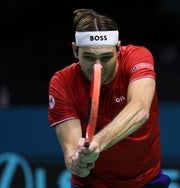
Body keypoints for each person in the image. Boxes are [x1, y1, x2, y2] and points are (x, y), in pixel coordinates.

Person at [48, 8, 171, 188]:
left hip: (146, 180)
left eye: (106, 57)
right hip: (91, 184)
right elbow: (71, 153)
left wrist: (98, 142)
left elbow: (140, 109)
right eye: (89, 57)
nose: (98, 66)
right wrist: (78, 163)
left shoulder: (137, 57)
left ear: (118, 49)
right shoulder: (62, 82)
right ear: (75, 50)